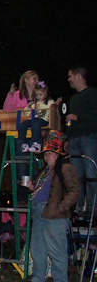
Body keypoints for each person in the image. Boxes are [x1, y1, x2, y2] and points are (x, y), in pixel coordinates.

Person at [23, 134, 79, 282]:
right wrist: (32, 187)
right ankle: (38, 278)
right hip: (40, 211)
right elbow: (41, 191)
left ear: (58, 154)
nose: (48, 156)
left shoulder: (65, 168)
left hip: (55, 214)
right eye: (46, 154)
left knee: (56, 249)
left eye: (51, 153)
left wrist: (61, 208)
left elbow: (74, 191)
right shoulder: (46, 170)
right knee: (38, 247)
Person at [65, 66, 97, 212]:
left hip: (88, 138)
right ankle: (79, 207)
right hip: (74, 140)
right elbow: (70, 121)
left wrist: (79, 118)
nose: (68, 79)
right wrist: (66, 138)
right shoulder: (73, 98)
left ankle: (93, 207)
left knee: (91, 174)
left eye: (70, 76)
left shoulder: (92, 93)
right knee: (76, 176)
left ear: (78, 76)